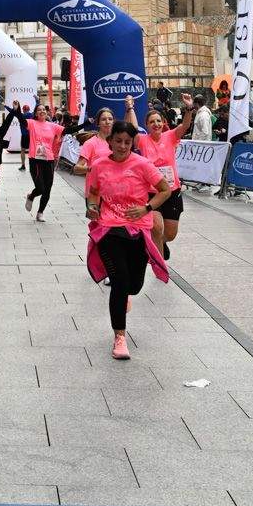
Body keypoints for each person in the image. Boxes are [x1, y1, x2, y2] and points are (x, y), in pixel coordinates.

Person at [84, 121, 172, 360]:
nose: (123, 146)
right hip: (110, 230)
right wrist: (93, 207)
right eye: (119, 141)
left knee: (134, 285)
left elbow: (165, 189)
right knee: (120, 283)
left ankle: (125, 297)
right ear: (110, 141)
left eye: (128, 142)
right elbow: (93, 193)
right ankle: (120, 337)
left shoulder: (142, 165)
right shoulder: (99, 165)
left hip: (137, 231)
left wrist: (146, 208)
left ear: (133, 143)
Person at [136, 98, 190, 261]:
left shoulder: (170, 136)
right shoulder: (142, 140)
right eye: (152, 122)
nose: (156, 124)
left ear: (163, 122)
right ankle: (159, 265)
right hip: (153, 193)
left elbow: (185, 126)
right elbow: (131, 127)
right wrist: (130, 108)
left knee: (170, 234)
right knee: (157, 227)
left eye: (159, 121)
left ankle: (156, 242)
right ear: (147, 125)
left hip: (172, 192)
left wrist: (188, 109)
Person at [23, 103, 67, 221]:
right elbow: (21, 119)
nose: (42, 111)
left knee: (47, 189)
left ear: (46, 112)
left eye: (43, 109)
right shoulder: (31, 123)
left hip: (49, 160)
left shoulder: (52, 126)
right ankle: (31, 196)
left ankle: (40, 213)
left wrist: (87, 123)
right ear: (36, 113)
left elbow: (68, 130)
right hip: (35, 160)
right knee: (40, 188)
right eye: (39, 110)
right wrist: (16, 111)